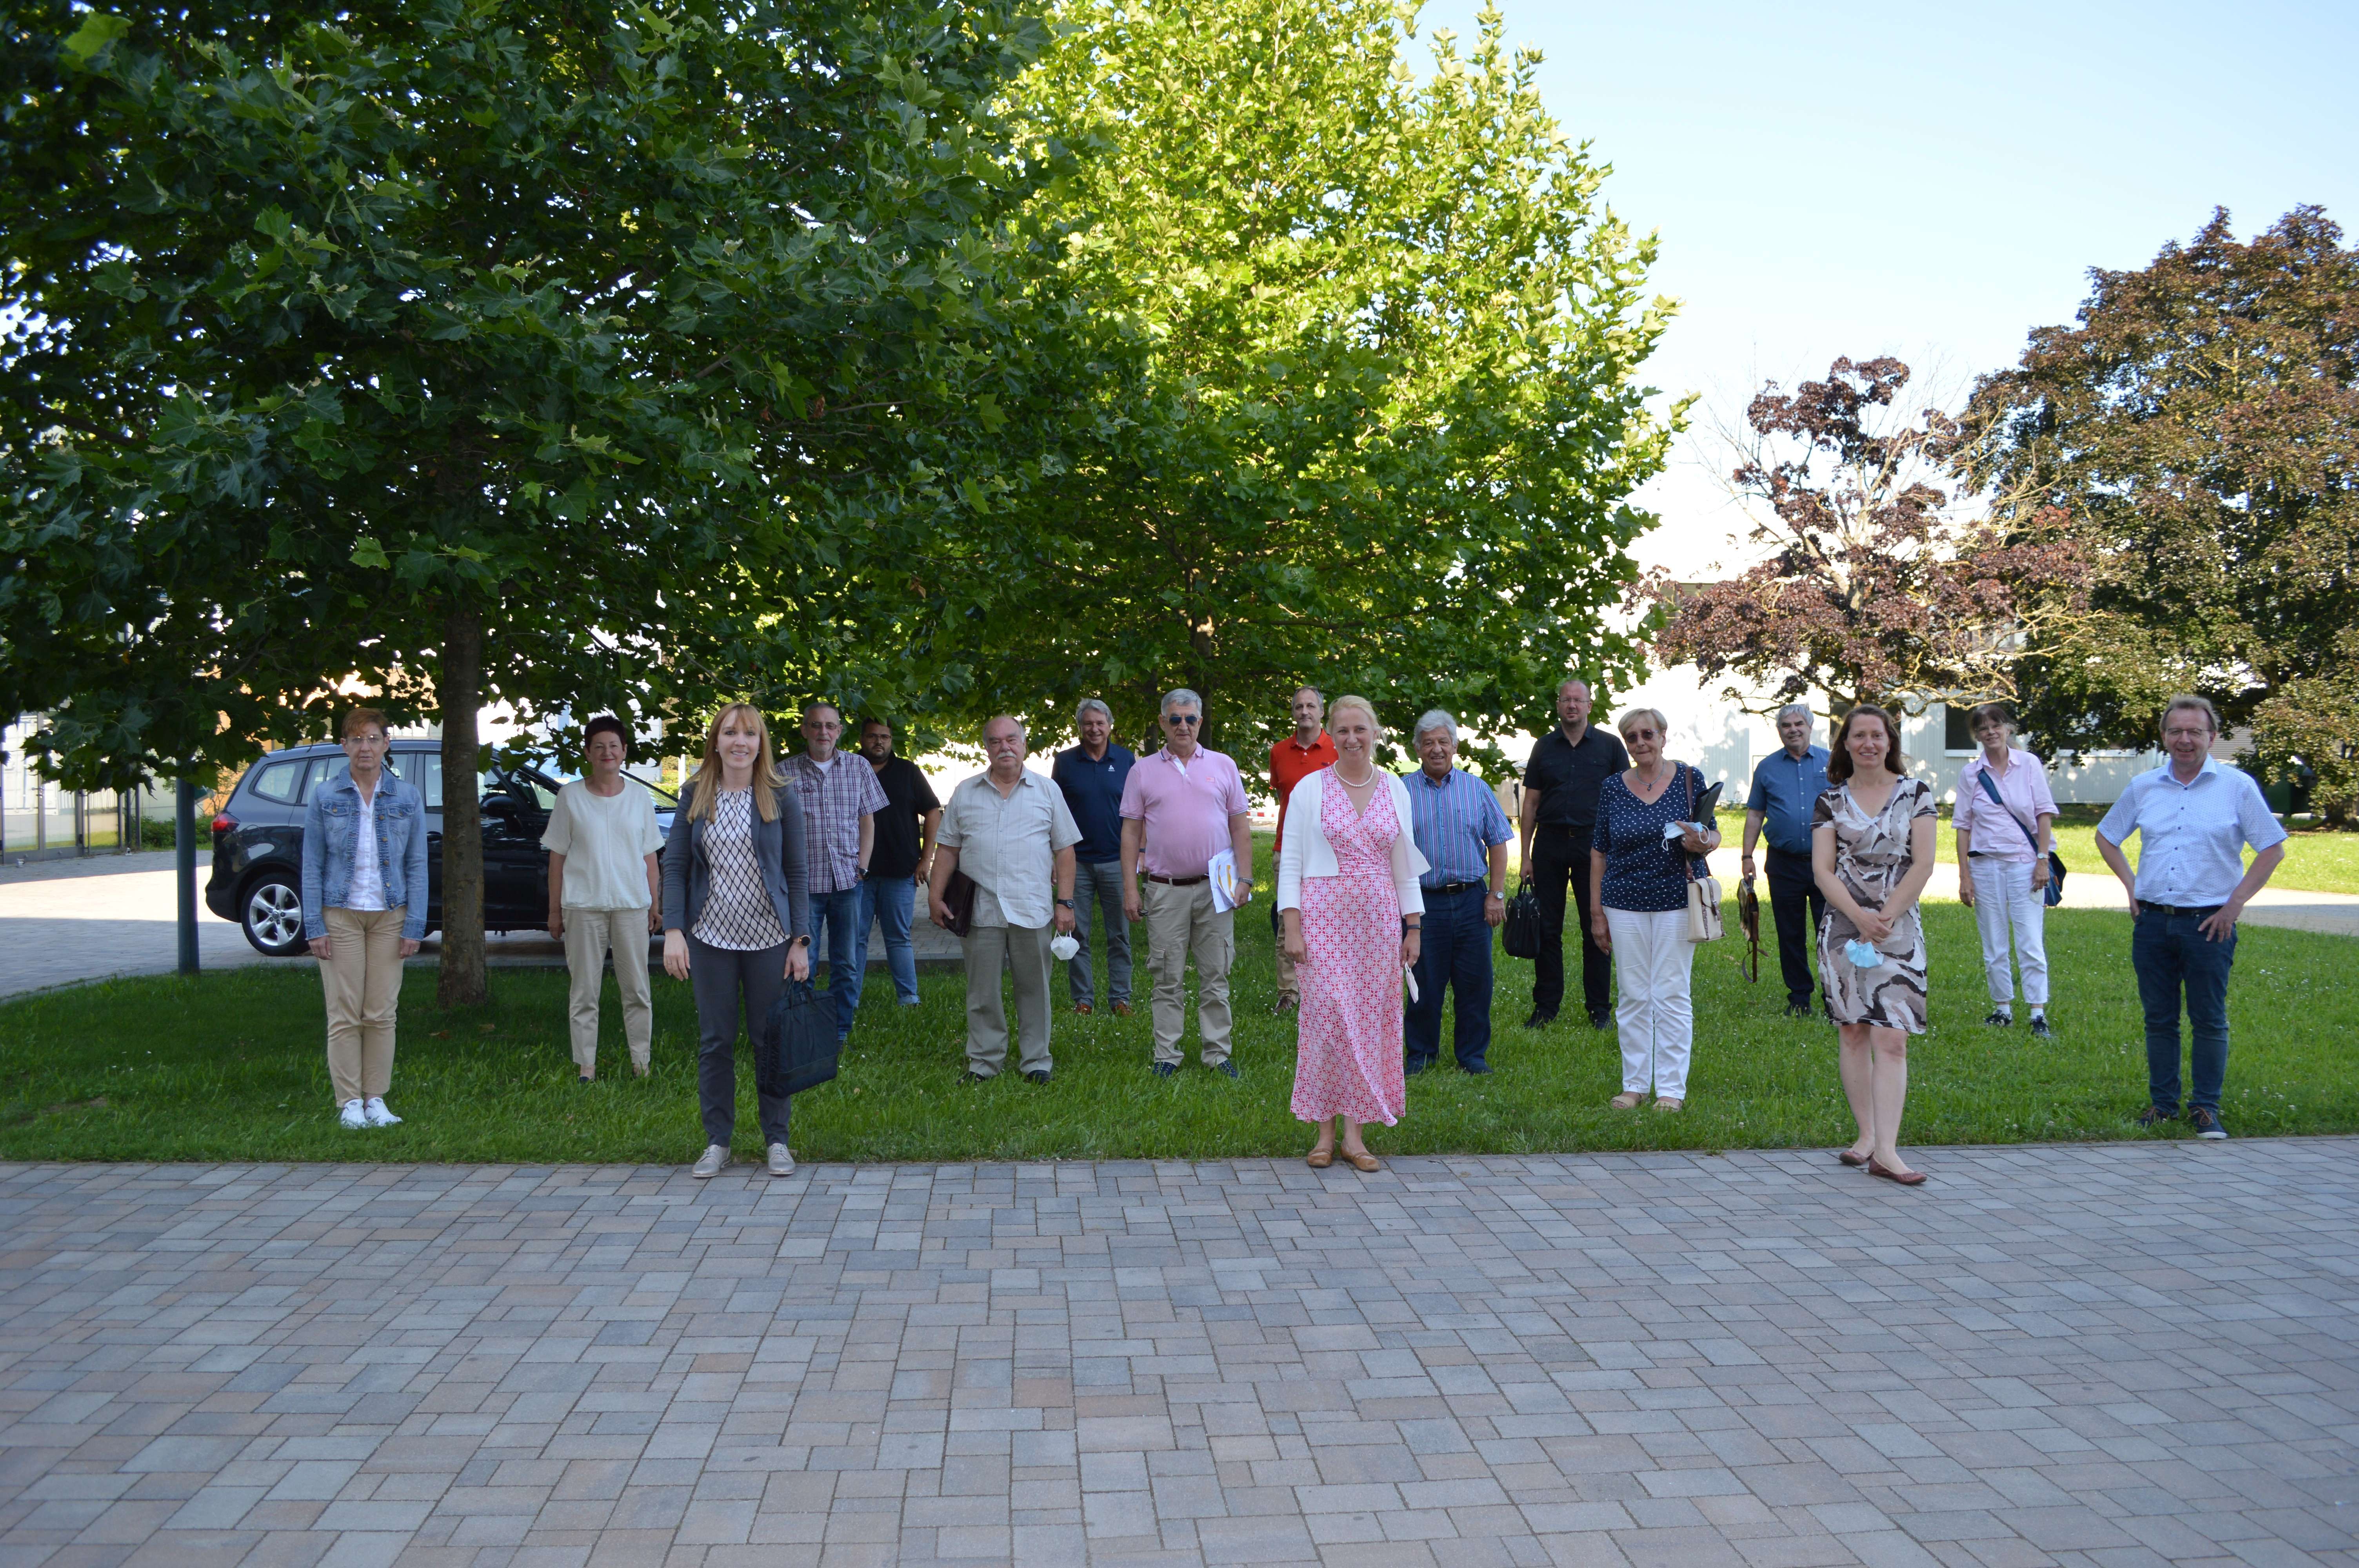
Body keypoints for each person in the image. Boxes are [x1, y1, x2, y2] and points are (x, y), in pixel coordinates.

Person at [2096, 695, 2287, 1141]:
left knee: (2208, 1018)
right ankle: (2163, 1105)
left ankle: (2205, 1108)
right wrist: (2132, 886)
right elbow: (2106, 836)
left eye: (2194, 732)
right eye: (2176, 731)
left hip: (2209, 924)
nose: (2185, 740)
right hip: (2153, 924)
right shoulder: (2144, 786)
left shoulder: (2236, 787)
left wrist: (2233, 905)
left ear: (2212, 737)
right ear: (2164, 736)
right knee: (2158, 1019)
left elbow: (2272, 849)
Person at [662, 704, 814, 1179]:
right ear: (716, 741)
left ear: (760, 743)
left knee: (770, 1041)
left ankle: (777, 1140)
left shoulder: (779, 796)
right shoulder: (695, 794)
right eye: (730, 732)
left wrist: (801, 940)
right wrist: (673, 931)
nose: (739, 741)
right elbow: (675, 866)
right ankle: (717, 1142)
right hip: (710, 937)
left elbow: (796, 871)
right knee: (715, 1042)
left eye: (749, 734)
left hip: (770, 937)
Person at [1278, 696, 1427, 1171]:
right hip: (1323, 918)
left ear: (1375, 732)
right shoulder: (1309, 788)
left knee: (1368, 1022)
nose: (1351, 738)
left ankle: (1355, 1137)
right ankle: (1323, 1133)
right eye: (1342, 730)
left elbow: (1404, 865)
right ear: (1331, 734)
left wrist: (1414, 925)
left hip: (1378, 923)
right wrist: (1291, 926)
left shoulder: (1395, 788)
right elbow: (1291, 865)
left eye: (1360, 729)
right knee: (1326, 1021)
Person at [1812, 703, 1937, 1185]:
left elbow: (1923, 863)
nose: (1868, 743)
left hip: (1898, 929)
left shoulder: (1916, 794)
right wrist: (1858, 916)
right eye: (1858, 735)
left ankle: (1887, 1151)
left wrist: (1882, 917)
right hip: (1843, 927)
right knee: (1852, 1031)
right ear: (1845, 744)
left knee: (1893, 1037)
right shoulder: (1830, 800)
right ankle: (1865, 1137)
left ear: (1890, 743)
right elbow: (1823, 869)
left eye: (1877, 736)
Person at [932, 717, 1081, 1083]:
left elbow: (1065, 851)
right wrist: (935, 896)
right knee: (982, 991)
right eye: (996, 742)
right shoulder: (966, 792)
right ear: (987, 748)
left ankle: (1036, 1062)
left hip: (1031, 908)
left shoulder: (1047, 791)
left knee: (1035, 988)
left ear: (1024, 745)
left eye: (1012, 740)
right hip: (980, 908)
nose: (1005, 748)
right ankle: (983, 1062)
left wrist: (1065, 902)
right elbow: (948, 849)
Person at [301, 707, 429, 1130]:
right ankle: (348, 1103)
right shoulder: (325, 797)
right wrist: (314, 926)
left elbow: (417, 865)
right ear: (344, 746)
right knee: (344, 1012)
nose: (365, 747)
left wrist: (415, 926)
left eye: (373, 739)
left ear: (386, 744)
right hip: (341, 915)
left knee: (381, 1013)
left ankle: (376, 1099)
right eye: (356, 740)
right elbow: (312, 864)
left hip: (391, 917)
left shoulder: (407, 797)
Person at [1587, 709, 1720, 1112]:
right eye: (1631, 737)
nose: (1640, 742)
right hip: (1622, 901)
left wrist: (1704, 842)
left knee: (1672, 993)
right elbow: (1599, 850)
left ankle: (1670, 1091)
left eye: (1647, 734)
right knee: (1631, 995)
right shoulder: (1613, 786)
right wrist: (1596, 912)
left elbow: (1711, 830)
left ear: (1663, 736)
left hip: (1676, 899)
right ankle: (1634, 1086)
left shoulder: (1688, 778)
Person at [1120, 688, 1255, 1078]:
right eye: (1175, 719)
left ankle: (1217, 1054)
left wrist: (1245, 878)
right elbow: (1130, 834)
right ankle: (1167, 1055)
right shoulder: (1142, 770)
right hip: (1164, 889)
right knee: (1166, 976)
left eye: (1190, 718)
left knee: (1216, 975)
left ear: (1200, 722)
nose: (1183, 725)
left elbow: (1239, 826)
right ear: (1162, 723)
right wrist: (1131, 887)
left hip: (1216, 889)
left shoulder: (1223, 765)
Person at [543, 715, 664, 1082]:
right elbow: (557, 858)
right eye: (599, 746)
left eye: (614, 746)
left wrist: (655, 904)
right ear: (588, 753)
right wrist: (554, 911)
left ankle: (641, 1063)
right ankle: (586, 1067)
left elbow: (651, 858)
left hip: (631, 906)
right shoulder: (570, 797)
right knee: (584, 992)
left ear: (624, 752)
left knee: (638, 991)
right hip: (583, 907)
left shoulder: (640, 797)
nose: (607, 752)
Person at [1401, 710, 1510, 1076]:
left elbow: (1497, 842)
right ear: (1417, 748)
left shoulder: (1475, 788)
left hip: (1470, 899)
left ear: (1455, 746)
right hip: (1423, 901)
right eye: (1428, 742)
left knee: (1475, 982)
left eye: (1443, 742)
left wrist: (1496, 895)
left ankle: (1472, 1055)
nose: (1437, 749)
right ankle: (1421, 1054)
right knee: (1425, 982)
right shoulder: (1400, 790)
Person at [1517, 678, 1630, 1029]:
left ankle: (1599, 1009)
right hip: (1549, 844)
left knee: (1596, 925)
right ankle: (1546, 1007)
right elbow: (1531, 802)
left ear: (1589, 706)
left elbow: (1624, 802)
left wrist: (1618, 852)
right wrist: (1525, 856)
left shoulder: (1611, 747)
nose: (1572, 706)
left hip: (1594, 846)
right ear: (1558, 705)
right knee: (1547, 928)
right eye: (1566, 700)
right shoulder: (1543, 747)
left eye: (1578, 701)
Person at [1953, 702, 2060, 1036]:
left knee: (2030, 940)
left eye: (1996, 725)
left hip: (2024, 865)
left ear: (2008, 728)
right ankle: (2002, 1008)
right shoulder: (1971, 774)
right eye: (1983, 728)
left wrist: (2043, 860)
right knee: (1994, 943)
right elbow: (1962, 826)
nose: (1990, 732)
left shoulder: (2028, 764)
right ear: (1977, 735)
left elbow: (2044, 813)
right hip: (1984, 866)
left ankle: (2037, 1013)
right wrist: (1964, 875)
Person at [785, 703, 887, 1044]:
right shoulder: (784, 773)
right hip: (803, 886)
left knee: (846, 963)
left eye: (830, 726)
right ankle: (805, 1027)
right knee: (805, 963)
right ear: (804, 730)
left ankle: (841, 1029)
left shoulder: (858, 767)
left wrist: (863, 866)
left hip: (848, 882)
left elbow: (867, 820)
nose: (823, 733)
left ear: (840, 731)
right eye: (816, 726)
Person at [1740, 704, 1832, 1017]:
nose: (1793, 729)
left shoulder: (1832, 763)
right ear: (1779, 731)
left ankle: (1835, 996)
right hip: (1783, 864)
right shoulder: (1767, 768)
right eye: (1786, 726)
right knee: (1790, 932)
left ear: (1810, 725)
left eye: (1798, 724)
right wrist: (1747, 855)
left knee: (1831, 931)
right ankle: (1799, 997)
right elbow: (1755, 813)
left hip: (1828, 863)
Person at [1051, 699, 1136, 1016]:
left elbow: (1138, 813)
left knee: (1119, 934)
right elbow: (1055, 813)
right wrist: (1054, 860)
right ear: (1079, 727)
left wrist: (1139, 853)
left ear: (1110, 725)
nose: (1094, 729)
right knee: (1077, 933)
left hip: (1117, 861)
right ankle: (1083, 1000)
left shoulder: (1127, 760)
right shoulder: (1065, 762)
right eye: (1088, 723)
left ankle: (1121, 999)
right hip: (1077, 863)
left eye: (1100, 723)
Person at [856, 717, 940, 1009]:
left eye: (885, 737)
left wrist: (925, 859)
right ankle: (849, 999)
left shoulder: (908, 771)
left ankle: (909, 998)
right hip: (856, 874)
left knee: (899, 938)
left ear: (892, 740)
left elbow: (933, 812)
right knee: (855, 940)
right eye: (872, 736)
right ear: (861, 739)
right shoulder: (848, 768)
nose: (879, 742)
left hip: (900, 870)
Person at [1267, 685, 1336, 1013]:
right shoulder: (1279, 752)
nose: (1305, 712)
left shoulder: (1338, 748)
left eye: (1311, 706)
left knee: (1331, 920)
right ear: (1293, 713)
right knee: (1287, 922)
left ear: (1322, 712)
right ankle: (1288, 993)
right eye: (1299, 707)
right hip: (1288, 849)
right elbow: (1281, 794)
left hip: (1331, 850)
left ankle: (1326, 987)